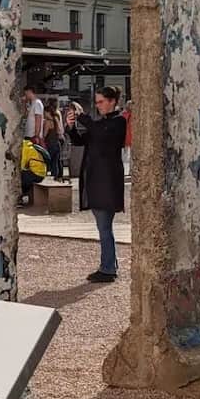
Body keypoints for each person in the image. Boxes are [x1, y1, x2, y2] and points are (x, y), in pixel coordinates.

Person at [66, 86, 127, 282]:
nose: (98, 105)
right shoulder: (101, 123)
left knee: (104, 227)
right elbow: (80, 140)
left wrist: (83, 117)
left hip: (107, 181)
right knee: (103, 226)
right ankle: (109, 265)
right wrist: (71, 126)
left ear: (112, 102)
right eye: (97, 102)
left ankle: (108, 268)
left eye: (101, 102)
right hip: (97, 179)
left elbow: (102, 135)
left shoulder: (118, 122)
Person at [19, 138, 48, 205]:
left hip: (36, 174)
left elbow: (22, 166)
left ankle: (22, 197)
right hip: (42, 174)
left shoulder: (26, 149)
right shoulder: (32, 147)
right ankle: (25, 195)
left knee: (20, 178)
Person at [43, 97, 65, 179]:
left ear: (48, 112)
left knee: (47, 162)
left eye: (44, 112)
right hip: (57, 143)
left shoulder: (48, 122)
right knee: (55, 162)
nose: (44, 114)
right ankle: (56, 178)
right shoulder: (56, 118)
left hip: (50, 144)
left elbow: (44, 135)